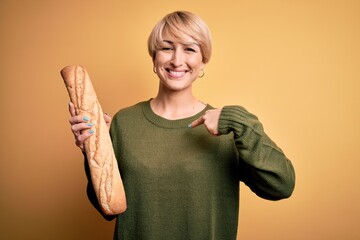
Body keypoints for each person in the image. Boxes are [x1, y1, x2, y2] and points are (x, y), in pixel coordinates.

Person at [68, 10, 295, 240]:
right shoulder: (124, 123)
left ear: (203, 61)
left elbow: (281, 186)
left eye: (190, 49)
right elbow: (107, 209)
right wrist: (92, 151)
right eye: (167, 48)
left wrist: (238, 121)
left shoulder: (227, 130)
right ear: (154, 59)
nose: (177, 60)